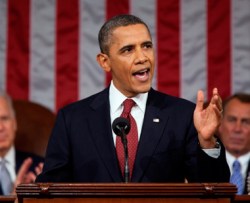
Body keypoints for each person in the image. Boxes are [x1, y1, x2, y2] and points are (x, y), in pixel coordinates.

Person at [36, 14, 229, 183]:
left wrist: (207, 143)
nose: (142, 57)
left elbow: (213, 190)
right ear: (105, 62)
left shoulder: (182, 115)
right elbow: (52, 187)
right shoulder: (73, 119)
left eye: (146, 46)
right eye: (128, 50)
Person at [0, 91, 44, 195]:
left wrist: (46, 195)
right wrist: (14, 198)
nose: (0, 127)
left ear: (14, 123)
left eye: (5, 119)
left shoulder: (39, 168)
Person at [218, 93, 250, 194]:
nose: (237, 129)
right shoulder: (205, 163)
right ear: (220, 124)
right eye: (232, 120)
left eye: (246, 122)